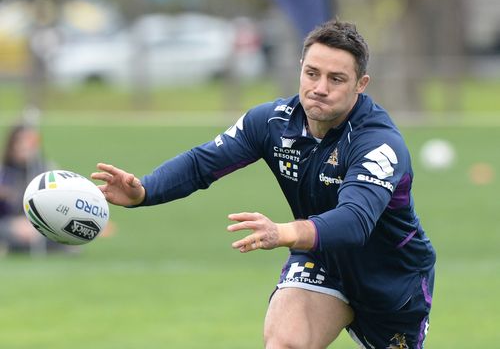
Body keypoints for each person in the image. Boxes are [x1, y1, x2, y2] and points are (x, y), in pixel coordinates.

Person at [92, 19, 436, 349]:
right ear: (300, 67)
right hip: (322, 260)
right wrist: (145, 190)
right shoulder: (272, 122)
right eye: (312, 73)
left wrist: (284, 233)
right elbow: (202, 164)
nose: (319, 88)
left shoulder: (378, 143)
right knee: (284, 343)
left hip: (392, 278)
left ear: (361, 84)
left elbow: (355, 221)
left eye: (336, 79)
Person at [0, 123, 51, 253]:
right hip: (9, 225)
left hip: (40, 226)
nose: (25, 147)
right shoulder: (3, 172)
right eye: (20, 142)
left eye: (30, 142)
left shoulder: (47, 172)